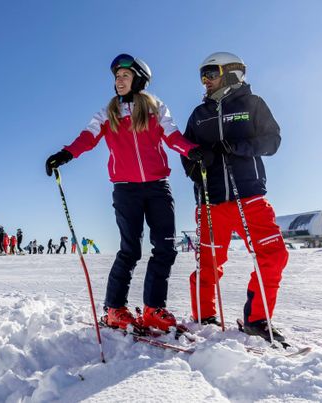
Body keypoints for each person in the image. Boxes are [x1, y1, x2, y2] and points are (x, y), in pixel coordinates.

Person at [45, 53, 210, 332]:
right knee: (130, 249)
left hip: (158, 187)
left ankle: (153, 309)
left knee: (165, 248)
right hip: (125, 190)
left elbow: (172, 136)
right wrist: (66, 154)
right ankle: (114, 309)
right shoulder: (107, 113)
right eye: (117, 77)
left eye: (125, 76)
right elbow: (88, 138)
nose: (119, 81)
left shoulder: (155, 108)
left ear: (139, 79)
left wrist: (192, 151)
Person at [179, 51, 289, 343]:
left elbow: (272, 141)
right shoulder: (198, 115)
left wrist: (236, 147)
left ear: (230, 72)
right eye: (202, 76)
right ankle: (203, 317)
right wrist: (197, 164)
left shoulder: (252, 104)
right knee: (208, 264)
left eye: (210, 73)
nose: (205, 80)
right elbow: (185, 153)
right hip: (211, 202)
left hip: (249, 197)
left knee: (274, 255)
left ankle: (257, 319)